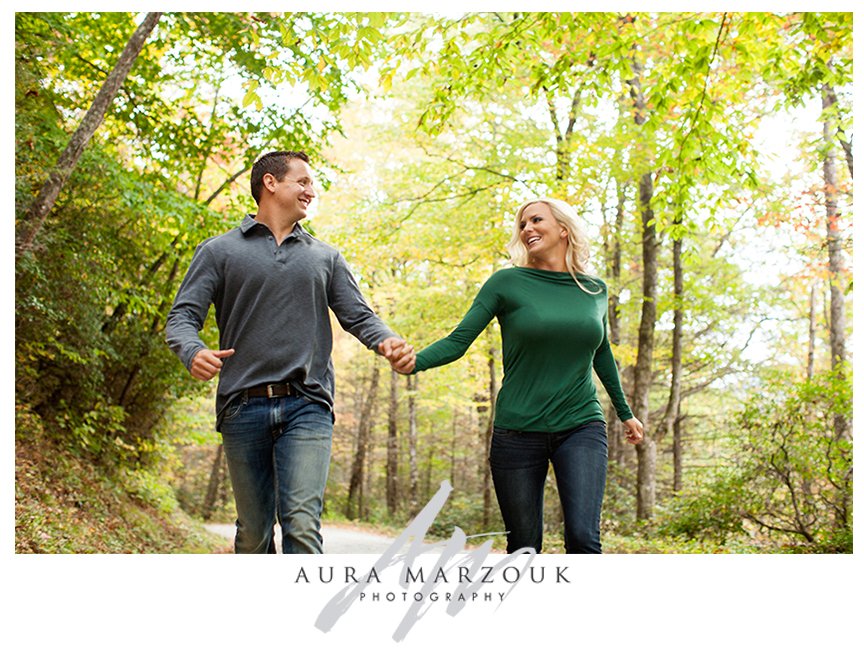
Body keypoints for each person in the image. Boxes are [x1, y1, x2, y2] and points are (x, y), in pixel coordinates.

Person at [166, 150, 414, 554]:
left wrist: (387, 342)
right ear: (270, 183)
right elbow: (181, 318)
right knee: (254, 533)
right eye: (303, 182)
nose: (311, 191)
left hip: (308, 404)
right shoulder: (219, 251)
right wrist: (192, 351)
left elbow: (360, 316)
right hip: (241, 407)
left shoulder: (325, 257)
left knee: (301, 524)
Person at [396, 198, 643, 554]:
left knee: (583, 538)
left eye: (536, 220)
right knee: (525, 546)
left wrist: (625, 412)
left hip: (580, 425)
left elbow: (601, 353)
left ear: (563, 228)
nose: (527, 229)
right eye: (522, 224)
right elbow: (458, 340)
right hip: (517, 430)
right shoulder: (507, 283)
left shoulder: (595, 290)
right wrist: (414, 362)